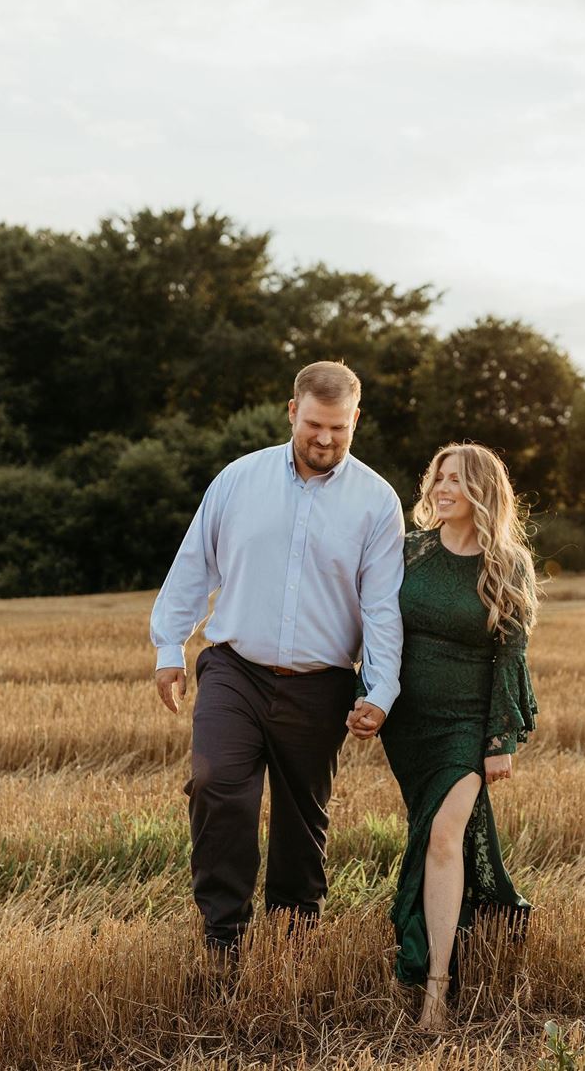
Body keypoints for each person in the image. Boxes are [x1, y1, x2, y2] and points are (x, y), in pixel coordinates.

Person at [151, 361, 404, 958]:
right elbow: (194, 563)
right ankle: (223, 937)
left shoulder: (377, 503)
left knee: (302, 819)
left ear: (356, 419)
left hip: (321, 684)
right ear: (292, 412)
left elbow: (382, 608)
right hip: (234, 669)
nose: (326, 439)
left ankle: (294, 941)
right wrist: (169, 646)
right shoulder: (239, 480)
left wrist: (380, 689)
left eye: (339, 427)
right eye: (314, 424)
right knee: (216, 785)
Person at [351, 443, 539, 1030]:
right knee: (431, 834)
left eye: (456, 479)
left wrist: (500, 740)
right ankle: (439, 954)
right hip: (409, 723)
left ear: (482, 489)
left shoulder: (508, 565)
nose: (442, 488)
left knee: (442, 835)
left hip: (466, 722)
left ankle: (435, 989)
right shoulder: (410, 551)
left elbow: (510, 655)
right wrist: (366, 694)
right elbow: (377, 627)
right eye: (438, 478)